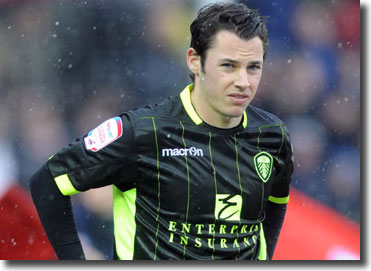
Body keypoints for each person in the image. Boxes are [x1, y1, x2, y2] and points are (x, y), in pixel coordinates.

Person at [30, 2, 294, 260]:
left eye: (253, 67)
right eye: (228, 66)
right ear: (194, 61)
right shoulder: (144, 132)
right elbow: (48, 182)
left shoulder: (272, 137)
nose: (243, 82)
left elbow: (274, 206)